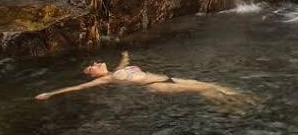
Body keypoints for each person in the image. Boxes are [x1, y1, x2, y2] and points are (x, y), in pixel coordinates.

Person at [34, 51, 244, 104]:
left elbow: (124, 64)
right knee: (204, 89)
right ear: (93, 76)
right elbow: (77, 88)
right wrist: (50, 93)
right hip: (157, 86)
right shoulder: (106, 79)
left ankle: (237, 99)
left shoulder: (115, 71)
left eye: (95, 62)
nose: (96, 63)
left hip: (166, 78)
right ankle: (233, 105)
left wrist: (125, 54)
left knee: (208, 84)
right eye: (92, 67)